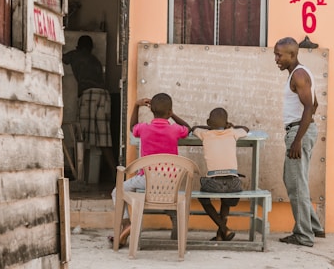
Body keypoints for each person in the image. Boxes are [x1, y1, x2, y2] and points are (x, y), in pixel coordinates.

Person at [109, 92, 191, 247]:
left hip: (145, 181)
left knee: (117, 191)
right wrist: (173, 115)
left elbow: (132, 127)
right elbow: (188, 128)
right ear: (169, 111)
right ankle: (176, 228)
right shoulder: (175, 130)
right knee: (169, 199)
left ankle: (127, 224)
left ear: (151, 110)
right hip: (170, 183)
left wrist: (136, 105)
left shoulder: (144, 128)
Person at [274, 37, 325, 247]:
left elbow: (308, 108)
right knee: (294, 180)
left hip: (298, 133)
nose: (276, 59)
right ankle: (313, 226)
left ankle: (304, 235)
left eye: (279, 55)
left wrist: (297, 140)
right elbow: (315, 104)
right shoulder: (299, 73)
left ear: (292, 55)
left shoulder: (299, 75)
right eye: (275, 55)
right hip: (299, 131)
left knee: (296, 184)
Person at [62, 35, 117, 178]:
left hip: (89, 95)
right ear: (91, 48)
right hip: (104, 96)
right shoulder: (96, 61)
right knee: (104, 138)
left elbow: (62, 58)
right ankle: (115, 172)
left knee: (82, 136)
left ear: (78, 46)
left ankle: (80, 176)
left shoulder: (75, 54)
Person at [191, 107, 249, 241]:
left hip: (214, 182)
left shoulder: (205, 134)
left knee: (203, 198)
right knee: (227, 195)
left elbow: (193, 128)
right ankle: (220, 233)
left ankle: (224, 229)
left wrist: (208, 127)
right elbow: (246, 128)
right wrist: (232, 126)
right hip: (233, 183)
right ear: (227, 122)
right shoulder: (233, 133)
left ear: (208, 123)